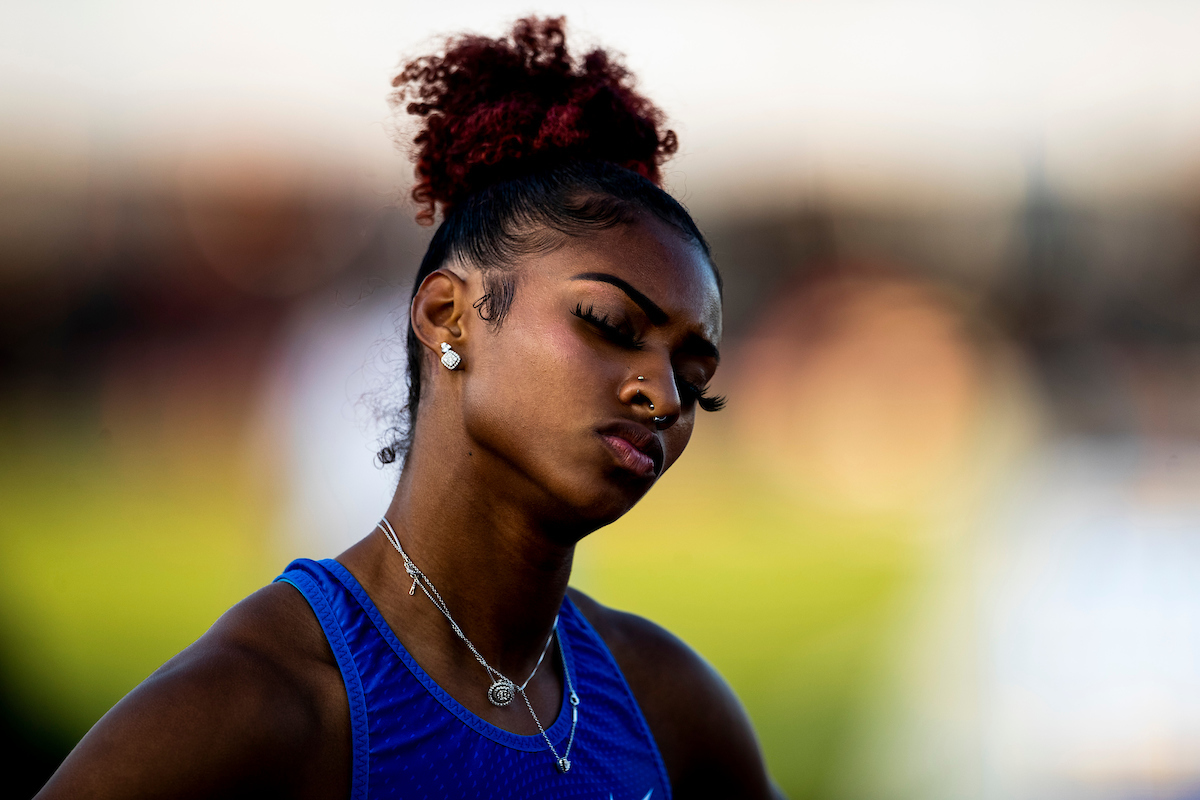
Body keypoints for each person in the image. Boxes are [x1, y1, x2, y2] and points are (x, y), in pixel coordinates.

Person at [36, 17, 781, 799]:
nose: (662, 396)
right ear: (445, 316)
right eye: (610, 326)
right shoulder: (267, 706)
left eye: (696, 379)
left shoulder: (666, 706)